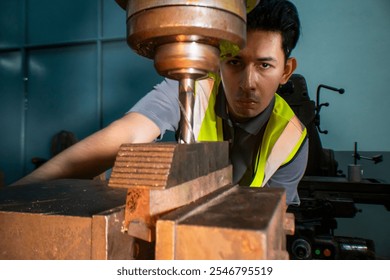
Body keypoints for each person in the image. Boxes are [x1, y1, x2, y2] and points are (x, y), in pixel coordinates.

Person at [12, 0, 308, 205]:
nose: (247, 82)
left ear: (286, 70)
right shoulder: (193, 89)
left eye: (264, 66)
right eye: (234, 62)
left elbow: (270, 218)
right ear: (218, 61)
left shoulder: (291, 140)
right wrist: (15, 196)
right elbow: (125, 135)